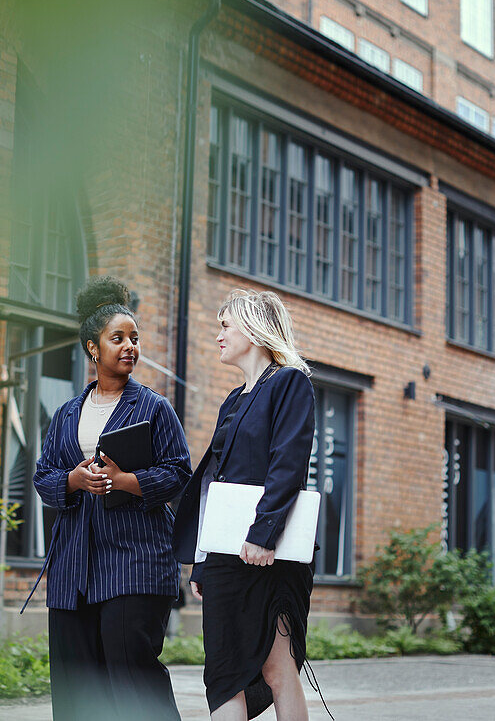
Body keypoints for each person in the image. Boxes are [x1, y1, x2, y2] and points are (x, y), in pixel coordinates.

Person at [30, 276, 192, 721]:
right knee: (76, 683)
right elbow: (43, 478)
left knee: (132, 679)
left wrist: (123, 481)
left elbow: (179, 473)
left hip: (133, 563)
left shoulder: (154, 408)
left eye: (135, 339)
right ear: (92, 348)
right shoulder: (65, 413)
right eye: (117, 338)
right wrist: (73, 480)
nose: (129, 347)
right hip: (72, 569)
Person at [173, 288, 318, 721]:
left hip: (267, 553)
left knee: (277, 667)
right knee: (223, 672)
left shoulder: (289, 382)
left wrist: (261, 536)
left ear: (253, 330)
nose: (218, 335)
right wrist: (202, 561)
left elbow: (287, 465)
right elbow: (214, 484)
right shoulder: (232, 401)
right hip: (225, 555)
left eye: (224, 325)